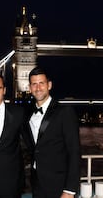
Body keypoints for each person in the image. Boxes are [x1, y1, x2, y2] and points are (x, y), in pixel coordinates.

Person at [27, 66, 81, 198]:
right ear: (29, 88)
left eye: (41, 83)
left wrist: (69, 190)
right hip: (36, 184)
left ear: (49, 85)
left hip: (59, 186)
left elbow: (74, 152)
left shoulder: (64, 112)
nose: (38, 88)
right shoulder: (26, 112)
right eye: (34, 84)